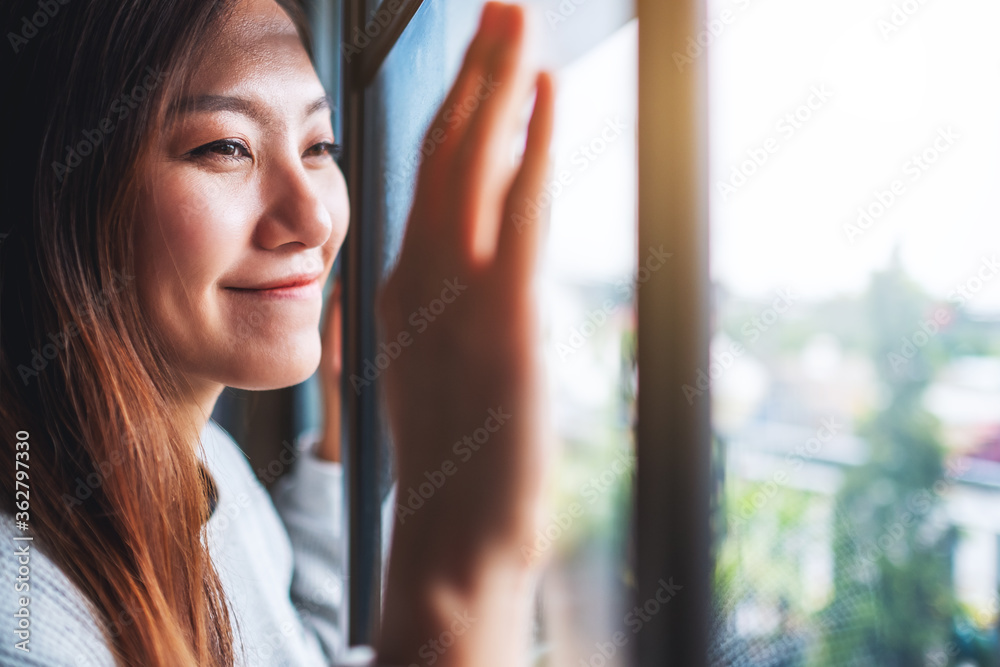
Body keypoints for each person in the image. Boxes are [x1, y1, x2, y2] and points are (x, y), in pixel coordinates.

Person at [0, 0, 554, 665]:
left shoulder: (209, 465)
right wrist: (463, 573)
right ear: (60, 191)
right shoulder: (24, 614)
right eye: (227, 148)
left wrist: (345, 443)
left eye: (319, 147)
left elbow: (296, 649)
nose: (314, 219)